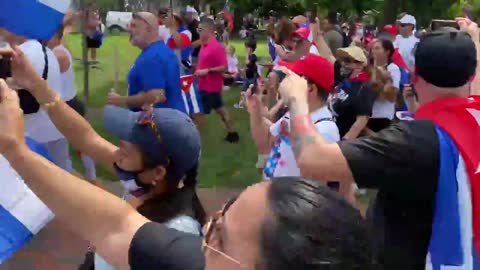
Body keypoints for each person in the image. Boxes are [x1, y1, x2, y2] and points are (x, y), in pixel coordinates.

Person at [0, 67, 372, 269]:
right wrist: (35, 84)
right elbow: (86, 141)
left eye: (220, 236)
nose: (208, 229)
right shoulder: (147, 187)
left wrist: (17, 149)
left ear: (157, 171)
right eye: (223, 212)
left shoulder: (178, 229)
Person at [276, 17, 480, 269]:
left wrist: (297, 99)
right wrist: (474, 38)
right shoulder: (475, 115)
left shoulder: (414, 140)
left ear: (415, 76)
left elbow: (313, 160)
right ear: (470, 76)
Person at [0, 28, 69, 171]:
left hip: (34, 135)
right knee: (63, 176)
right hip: (57, 127)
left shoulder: (21, 54)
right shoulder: (46, 51)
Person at [107, 12, 185, 114]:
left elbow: (157, 95)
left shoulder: (151, 57)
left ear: (148, 29)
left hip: (161, 124)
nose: (129, 29)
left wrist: (121, 100)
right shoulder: (162, 50)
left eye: (134, 26)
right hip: (174, 119)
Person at [47, 27, 97, 182]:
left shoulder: (57, 54)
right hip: (70, 102)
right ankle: (89, 177)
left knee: (77, 146)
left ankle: (88, 178)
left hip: (67, 105)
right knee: (81, 145)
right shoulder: (60, 49)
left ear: (54, 36)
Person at [195, 18, 239, 143]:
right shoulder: (204, 45)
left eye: (200, 30)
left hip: (211, 86)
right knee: (220, 110)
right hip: (203, 84)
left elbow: (224, 67)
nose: (198, 32)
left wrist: (207, 71)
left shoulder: (216, 47)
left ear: (209, 30)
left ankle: (194, 138)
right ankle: (233, 133)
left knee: (198, 112)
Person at [329, 46, 376, 140]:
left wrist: (345, 142)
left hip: (343, 142)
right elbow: (327, 55)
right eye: (343, 60)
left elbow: (362, 120)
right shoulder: (342, 81)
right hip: (331, 134)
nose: (344, 64)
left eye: (348, 61)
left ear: (360, 65)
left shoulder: (364, 87)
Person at [367, 39, 401, 132]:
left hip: (382, 116)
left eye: (377, 48)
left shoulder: (392, 68)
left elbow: (391, 97)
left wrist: (386, 80)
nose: (373, 51)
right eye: (372, 48)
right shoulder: (367, 68)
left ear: (387, 52)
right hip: (366, 115)